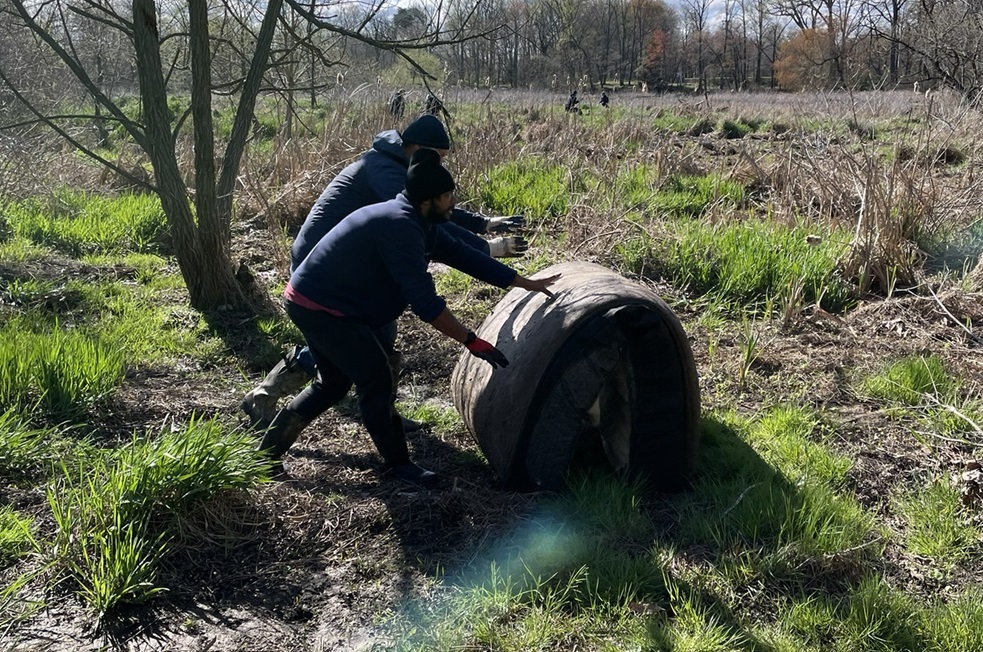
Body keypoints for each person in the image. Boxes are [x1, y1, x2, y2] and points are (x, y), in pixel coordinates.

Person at [257, 149, 560, 485]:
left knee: (334, 384)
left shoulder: (419, 220)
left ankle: (265, 455)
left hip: (319, 300)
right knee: (376, 379)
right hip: (321, 307)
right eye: (447, 196)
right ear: (427, 200)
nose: (453, 202)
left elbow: (464, 255)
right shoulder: (399, 226)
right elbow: (426, 304)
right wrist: (471, 341)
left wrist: (523, 282)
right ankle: (399, 465)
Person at [241, 114, 527, 429]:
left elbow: (433, 206)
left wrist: (483, 224)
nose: (439, 164)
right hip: (323, 264)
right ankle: (267, 396)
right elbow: (432, 223)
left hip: (353, 263)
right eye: (438, 157)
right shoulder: (384, 171)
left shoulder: (398, 165)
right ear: (417, 148)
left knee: (376, 335)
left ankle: (384, 414)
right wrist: (488, 249)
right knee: (347, 341)